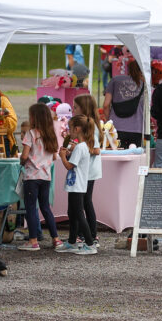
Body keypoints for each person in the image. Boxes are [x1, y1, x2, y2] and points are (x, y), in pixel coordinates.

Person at [17, 103, 62, 251]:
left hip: (32, 176)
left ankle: (33, 241)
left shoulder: (31, 134)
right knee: (45, 207)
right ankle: (56, 239)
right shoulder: (51, 135)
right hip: (45, 176)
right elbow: (54, 157)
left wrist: (22, 161)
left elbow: (24, 155)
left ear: (34, 117)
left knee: (30, 208)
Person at [57, 114, 97, 254]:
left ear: (77, 129)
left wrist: (62, 156)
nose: (69, 131)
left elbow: (69, 166)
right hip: (76, 184)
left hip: (77, 185)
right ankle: (72, 241)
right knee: (72, 213)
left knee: (79, 214)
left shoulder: (80, 147)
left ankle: (90, 244)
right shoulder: (82, 146)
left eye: (70, 128)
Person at [73, 94, 104, 249]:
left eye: (75, 107)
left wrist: (79, 148)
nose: (73, 110)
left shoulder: (91, 127)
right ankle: (86, 233)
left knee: (84, 202)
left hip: (88, 171)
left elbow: (95, 149)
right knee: (85, 202)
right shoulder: (90, 125)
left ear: (83, 108)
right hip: (87, 170)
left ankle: (90, 234)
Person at [103, 59, 146, 149]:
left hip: (116, 128)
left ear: (127, 68)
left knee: (116, 155)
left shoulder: (115, 80)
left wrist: (108, 122)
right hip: (137, 128)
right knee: (135, 155)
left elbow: (106, 105)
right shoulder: (144, 84)